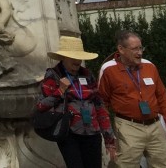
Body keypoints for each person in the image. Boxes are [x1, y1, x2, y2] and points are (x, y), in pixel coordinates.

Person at [97, 30, 166, 168]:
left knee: (165, 165)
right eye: (135, 49)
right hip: (127, 126)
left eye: (141, 48)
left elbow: (163, 100)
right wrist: (109, 138)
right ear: (121, 49)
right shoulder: (108, 69)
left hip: (155, 125)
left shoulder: (149, 66)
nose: (140, 53)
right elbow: (101, 104)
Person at [36, 35, 116, 168]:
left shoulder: (87, 75)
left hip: (92, 131)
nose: (77, 61)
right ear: (64, 57)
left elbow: (99, 106)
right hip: (69, 133)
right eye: (73, 58)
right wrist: (60, 91)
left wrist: (109, 138)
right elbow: (41, 105)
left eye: (79, 58)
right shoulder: (53, 75)